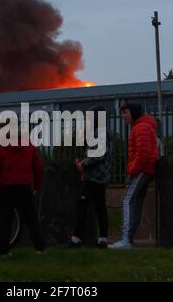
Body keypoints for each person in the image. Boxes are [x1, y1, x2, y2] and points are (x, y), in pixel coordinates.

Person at [0, 123, 45, 259]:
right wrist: (37, 186)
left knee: (6, 220)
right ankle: (40, 248)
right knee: (31, 218)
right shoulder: (29, 146)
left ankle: (4, 251)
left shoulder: (1, 147)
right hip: (25, 186)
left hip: (6, 187)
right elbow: (39, 167)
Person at [109, 103, 159, 250]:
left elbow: (143, 154)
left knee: (127, 200)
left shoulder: (141, 127)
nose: (122, 116)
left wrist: (132, 171)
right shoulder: (142, 126)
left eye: (125, 112)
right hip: (146, 170)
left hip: (141, 170)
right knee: (135, 203)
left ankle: (125, 240)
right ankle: (128, 240)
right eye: (122, 113)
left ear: (134, 113)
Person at [64, 105, 112, 249]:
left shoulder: (99, 133)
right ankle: (102, 239)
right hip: (100, 177)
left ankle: (76, 239)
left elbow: (97, 154)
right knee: (99, 208)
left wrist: (82, 165)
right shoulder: (102, 132)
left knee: (83, 205)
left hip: (95, 177)